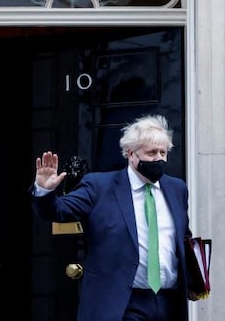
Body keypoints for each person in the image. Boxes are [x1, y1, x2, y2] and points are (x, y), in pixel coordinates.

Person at [33, 114, 190, 321]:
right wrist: (44, 191)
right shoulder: (99, 187)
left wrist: (196, 278)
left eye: (163, 152)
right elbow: (58, 211)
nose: (159, 158)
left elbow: (183, 238)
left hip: (169, 302)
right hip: (123, 304)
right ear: (131, 154)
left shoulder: (176, 189)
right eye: (151, 152)